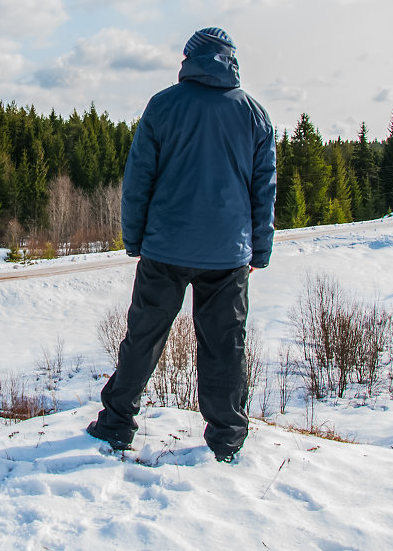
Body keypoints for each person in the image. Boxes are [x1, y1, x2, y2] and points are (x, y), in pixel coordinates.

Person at [87, 27, 276, 462]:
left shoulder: (162, 106)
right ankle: (227, 438)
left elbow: (138, 182)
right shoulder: (254, 114)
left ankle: (116, 424)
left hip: (165, 249)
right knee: (224, 345)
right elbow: (263, 191)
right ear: (231, 60)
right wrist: (258, 250)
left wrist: (135, 239)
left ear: (189, 59)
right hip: (228, 256)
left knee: (143, 337)